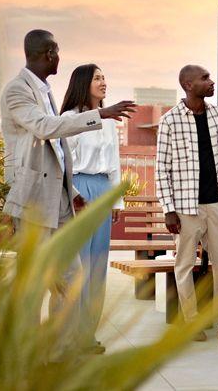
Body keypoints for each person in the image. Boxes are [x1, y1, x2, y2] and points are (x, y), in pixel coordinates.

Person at [0, 29, 136, 357]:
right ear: (48, 53)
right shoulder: (18, 90)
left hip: (60, 198)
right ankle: (28, 351)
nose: (60, 58)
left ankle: (61, 349)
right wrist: (100, 114)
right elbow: (46, 128)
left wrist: (69, 189)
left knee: (73, 275)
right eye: (57, 52)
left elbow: (58, 152)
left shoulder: (43, 90)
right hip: (33, 200)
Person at [155, 65, 218, 340]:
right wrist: (168, 210)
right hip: (185, 207)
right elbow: (161, 169)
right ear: (189, 85)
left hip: (216, 204)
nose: (211, 81)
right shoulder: (170, 121)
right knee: (184, 265)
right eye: (205, 78)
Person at [60, 64, 124, 354]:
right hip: (78, 192)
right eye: (97, 77)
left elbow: (114, 164)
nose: (103, 81)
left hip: (102, 191)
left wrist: (116, 199)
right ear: (83, 83)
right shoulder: (69, 119)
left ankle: (88, 335)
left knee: (98, 265)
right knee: (79, 267)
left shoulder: (109, 122)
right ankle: (69, 337)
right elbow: (62, 164)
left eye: (104, 76)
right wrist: (74, 194)